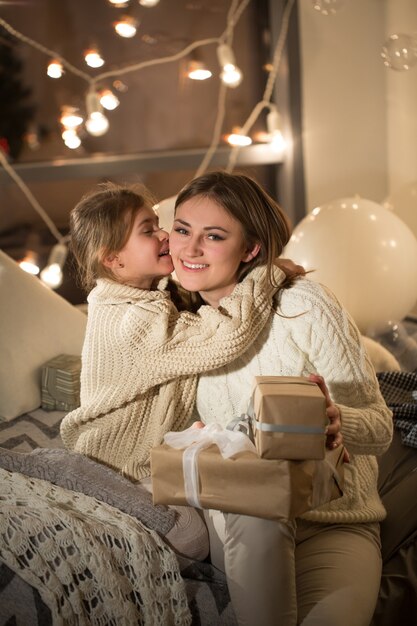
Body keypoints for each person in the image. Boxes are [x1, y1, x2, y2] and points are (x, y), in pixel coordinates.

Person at [167, 170, 393, 626]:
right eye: (182, 229)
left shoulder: (304, 305)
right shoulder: (182, 326)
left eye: (213, 236)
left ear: (250, 249)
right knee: (255, 501)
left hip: (334, 525)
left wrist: (336, 421)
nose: (190, 249)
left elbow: (381, 427)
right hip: (241, 519)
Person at [59, 181, 281, 560]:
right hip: (122, 465)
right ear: (113, 259)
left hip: (136, 459)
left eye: (159, 224)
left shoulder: (134, 295)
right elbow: (225, 336)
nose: (164, 234)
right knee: (195, 539)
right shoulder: (133, 321)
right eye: (148, 230)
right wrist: (267, 276)